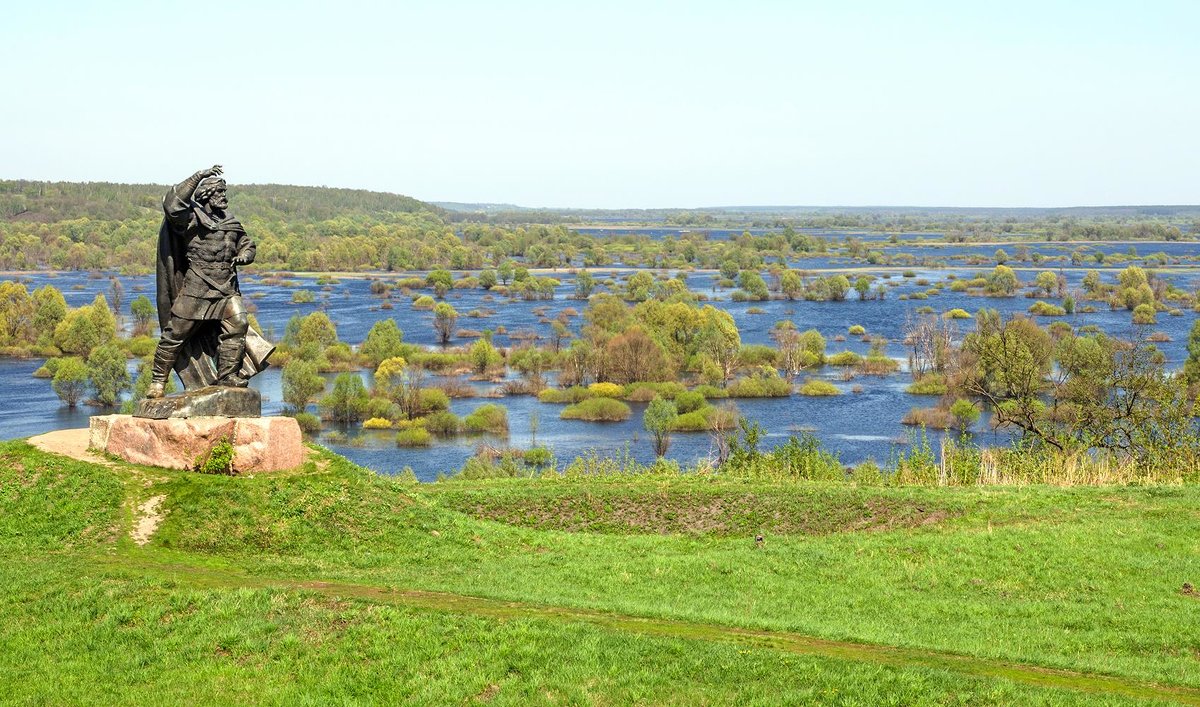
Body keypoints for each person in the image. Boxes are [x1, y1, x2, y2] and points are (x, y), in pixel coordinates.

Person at [146, 165, 272, 398]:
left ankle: (227, 375)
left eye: (224, 193)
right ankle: (157, 381)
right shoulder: (191, 220)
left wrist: (245, 255)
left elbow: (246, 243)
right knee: (176, 334)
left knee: (239, 325)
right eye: (219, 193)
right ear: (206, 196)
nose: (224, 198)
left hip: (226, 287)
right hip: (198, 287)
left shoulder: (230, 221)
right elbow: (172, 203)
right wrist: (199, 176)